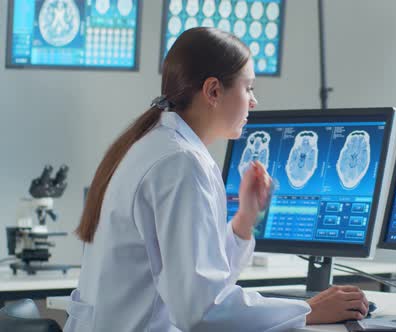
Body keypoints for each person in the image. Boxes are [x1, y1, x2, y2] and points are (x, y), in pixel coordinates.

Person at [64, 27, 369, 332]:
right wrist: (306, 311)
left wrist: (244, 220)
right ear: (213, 91)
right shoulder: (180, 163)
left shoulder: (154, 144)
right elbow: (202, 311)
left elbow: (196, 276)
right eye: (248, 88)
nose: (254, 101)